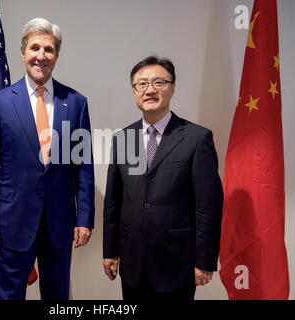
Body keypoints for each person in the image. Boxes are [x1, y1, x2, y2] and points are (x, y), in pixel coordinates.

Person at [0, 17, 95, 300]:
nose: (41, 56)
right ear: (23, 52)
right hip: (10, 223)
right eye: (35, 48)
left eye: (49, 49)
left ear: (56, 55)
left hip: (59, 223)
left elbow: (84, 167)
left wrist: (85, 217)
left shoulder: (76, 103)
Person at [103, 56, 223, 300]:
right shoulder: (122, 139)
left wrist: (205, 260)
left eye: (159, 83)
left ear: (172, 88)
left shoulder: (197, 139)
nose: (150, 90)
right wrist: (110, 251)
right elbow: (113, 203)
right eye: (142, 84)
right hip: (133, 262)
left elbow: (208, 207)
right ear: (134, 91)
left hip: (177, 264)